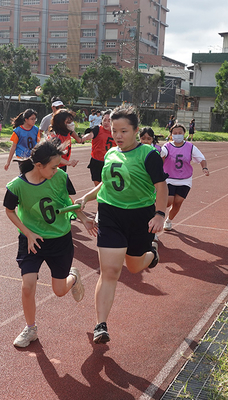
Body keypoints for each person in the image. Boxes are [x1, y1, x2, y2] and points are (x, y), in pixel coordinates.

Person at [76, 105, 168, 344]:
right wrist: (86, 197)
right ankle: (100, 324)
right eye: (115, 130)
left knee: (136, 267)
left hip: (139, 216)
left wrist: (160, 214)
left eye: (124, 131)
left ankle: (151, 254)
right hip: (110, 215)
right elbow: (106, 184)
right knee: (110, 271)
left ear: (136, 130)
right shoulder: (110, 154)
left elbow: (160, 186)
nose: (118, 135)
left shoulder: (148, 154)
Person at [4, 139, 96, 347]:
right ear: (39, 166)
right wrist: (27, 233)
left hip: (59, 240)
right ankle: (30, 329)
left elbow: (69, 204)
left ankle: (73, 276)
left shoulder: (61, 178)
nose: (56, 170)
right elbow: (9, 211)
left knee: (59, 290)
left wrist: (83, 219)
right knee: (28, 286)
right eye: (53, 167)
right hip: (31, 241)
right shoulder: (17, 186)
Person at [160, 123, 209, 231]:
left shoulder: (190, 147)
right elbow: (161, 157)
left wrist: (204, 168)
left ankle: (168, 221)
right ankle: (157, 217)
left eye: (180, 133)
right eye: (175, 133)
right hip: (169, 178)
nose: (177, 135)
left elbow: (201, 158)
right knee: (168, 201)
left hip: (185, 180)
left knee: (178, 202)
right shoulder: (167, 146)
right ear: (171, 135)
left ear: (184, 134)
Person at [47, 109, 82, 195]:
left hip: (62, 167)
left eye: (71, 121)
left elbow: (79, 139)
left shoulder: (67, 132)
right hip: (53, 168)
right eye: (68, 121)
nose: (71, 124)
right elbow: (53, 156)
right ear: (61, 123)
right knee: (62, 191)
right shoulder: (56, 138)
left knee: (64, 191)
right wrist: (68, 162)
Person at [81, 109, 115, 186]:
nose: (106, 122)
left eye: (109, 120)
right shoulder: (98, 129)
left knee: (108, 186)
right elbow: (90, 135)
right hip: (96, 162)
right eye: (104, 120)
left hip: (110, 163)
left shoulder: (116, 132)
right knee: (98, 187)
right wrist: (84, 138)